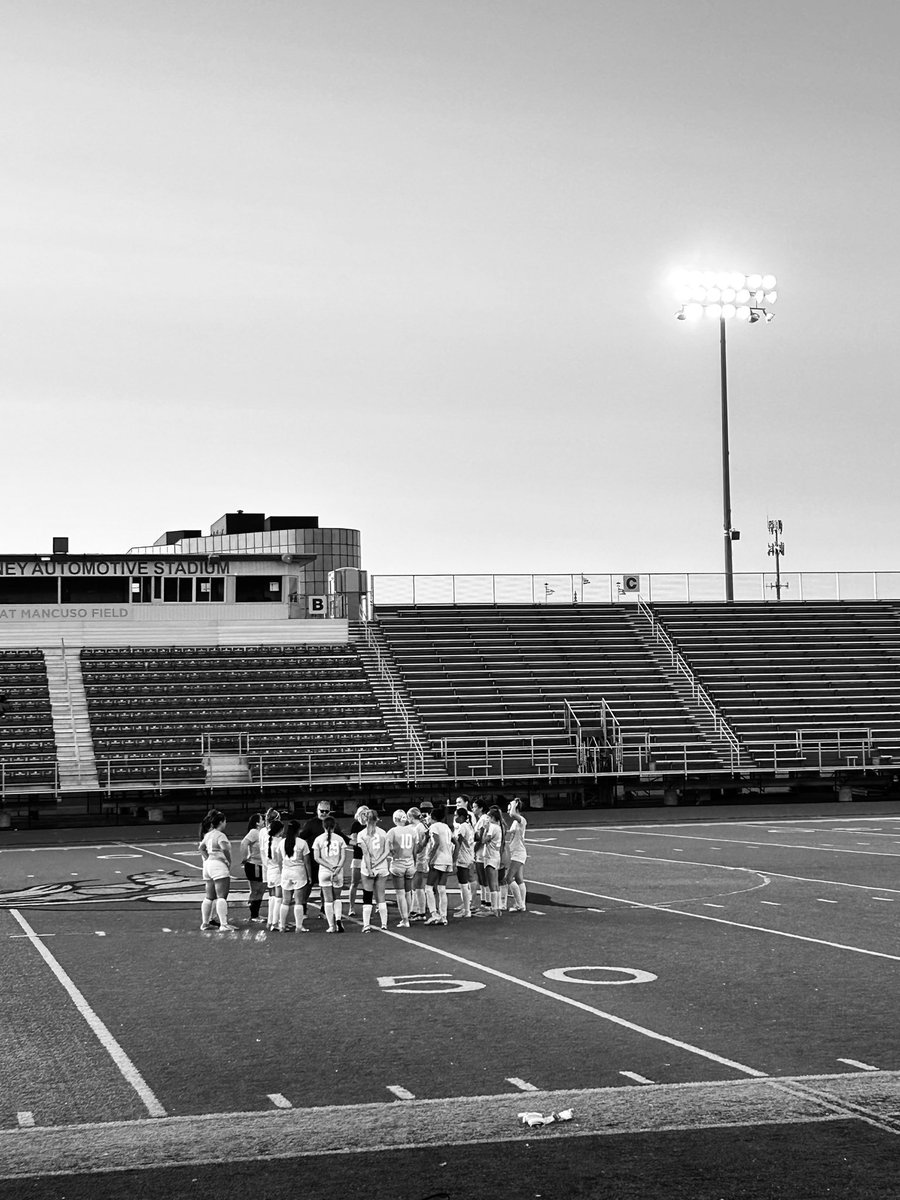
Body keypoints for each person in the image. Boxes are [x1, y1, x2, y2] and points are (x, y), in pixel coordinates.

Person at [300, 799, 343, 920]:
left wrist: (358, 843)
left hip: (328, 862)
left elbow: (342, 838)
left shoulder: (333, 823)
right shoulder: (310, 824)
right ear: (317, 810)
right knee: (308, 885)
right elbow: (301, 838)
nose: (324, 813)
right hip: (314, 861)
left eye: (326, 811)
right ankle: (303, 908)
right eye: (321, 811)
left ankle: (324, 909)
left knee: (326, 887)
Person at [199, 809, 235, 931]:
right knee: (221, 896)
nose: (226, 824)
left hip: (208, 866)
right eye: (225, 821)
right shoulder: (220, 835)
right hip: (218, 865)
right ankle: (224, 924)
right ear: (220, 822)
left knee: (209, 896)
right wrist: (228, 860)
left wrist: (207, 857)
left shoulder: (208, 834)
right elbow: (224, 848)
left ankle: (205, 922)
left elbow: (201, 847)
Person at [357, 808, 390, 931]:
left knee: (367, 895)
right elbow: (387, 851)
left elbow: (366, 854)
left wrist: (370, 868)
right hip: (382, 867)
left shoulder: (362, 834)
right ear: (377, 819)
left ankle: (366, 925)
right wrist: (379, 861)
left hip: (368, 867)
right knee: (381, 895)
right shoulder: (383, 833)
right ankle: (384, 924)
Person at [313, 816, 348, 932]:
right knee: (337, 898)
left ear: (323, 826)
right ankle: (338, 919)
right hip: (337, 872)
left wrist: (329, 866)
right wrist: (337, 869)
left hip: (324, 872)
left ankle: (331, 926)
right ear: (334, 826)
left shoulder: (318, 839)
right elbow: (343, 857)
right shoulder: (340, 839)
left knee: (328, 900)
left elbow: (317, 858)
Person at [385, 809, 418, 928]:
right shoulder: (412, 831)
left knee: (400, 893)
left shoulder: (392, 831)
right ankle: (407, 916)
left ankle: (405, 919)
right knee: (408, 892)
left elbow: (386, 847)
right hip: (410, 863)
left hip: (398, 863)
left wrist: (392, 853)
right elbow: (415, 850)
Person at [280, 819, 312, 933]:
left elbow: (280, 859)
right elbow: (307, 861)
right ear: (298, 830)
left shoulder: (282, 842)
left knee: (285, 900)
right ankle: (299, 926)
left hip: (286, 872)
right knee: (298, 901)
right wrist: (309, 876)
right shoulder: (302, 843)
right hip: (298, 872)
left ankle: (282, 925)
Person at [424, 803, 454, 926]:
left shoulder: (434, 827)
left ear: (433, 817)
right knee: (442, 888)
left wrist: (430, 858)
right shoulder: (446, 827)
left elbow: (436, 843)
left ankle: (434, 914)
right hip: (448, 858)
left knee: (428, 887)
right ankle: (443, 916)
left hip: (438, 859)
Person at [239, 813, 266, 922]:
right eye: (261, 820)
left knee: (260, 889)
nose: (263, 821)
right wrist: (245, 857)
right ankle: (254, 915)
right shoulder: (254, 832)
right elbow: (244, 843)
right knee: (257, 890)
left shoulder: (261, 832)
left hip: (259, 865)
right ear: (257, 823)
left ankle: (255, 913)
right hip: (255, 864)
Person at [260, 815, 285, 931]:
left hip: (270, 870)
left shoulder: (268, 842)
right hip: (277, 871)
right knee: (279, 898)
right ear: (280, 830)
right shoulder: (279, 842)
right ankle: (276, 922)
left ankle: (271, 921)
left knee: (273, 897)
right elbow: (280, 860)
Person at [407, 805, 430, 922]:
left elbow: (418, 847)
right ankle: (415, 910)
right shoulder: (423, 825)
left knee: (418, 887)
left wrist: (413, 859)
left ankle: (421, 912)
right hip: (425, 858)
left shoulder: (417, 828)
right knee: (418, 887)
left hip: (419, 859)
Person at [451, 807, 475, 918]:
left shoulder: (462, 828)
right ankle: (466, 908)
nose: (454, 817)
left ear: (461, 817)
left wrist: (454, 860)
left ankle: (466, 910)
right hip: (469, 856)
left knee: (463, 884)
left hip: (463, 857)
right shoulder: (469, 826)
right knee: (464, 884)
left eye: (456, 815)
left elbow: (458, 844)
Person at [346, 805, 370, 916]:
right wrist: (362, 843)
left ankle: (375, 905)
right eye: (362, 813)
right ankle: (351, 907)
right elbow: (353, 839)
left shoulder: (371, 824)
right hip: (358, 857)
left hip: (369, 858)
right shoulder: (356, 825)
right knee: (354, 883)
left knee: (371, 884)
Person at [482, 806, 505, 916]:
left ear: (492, 817)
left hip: (490, 857)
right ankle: (497, 907)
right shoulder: (499, 827)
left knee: (492, 884)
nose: (486, 819)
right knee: (495, 883)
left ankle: (494, 908)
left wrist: (485, 829)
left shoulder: (492, 827)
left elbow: (484, 840)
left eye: (488, 817)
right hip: (496, 856)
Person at [506, 798, 528, 911]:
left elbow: (513, 813)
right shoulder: (515, 822)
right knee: (519, 878)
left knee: (508, 878)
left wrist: (514, 803)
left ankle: (520, 904)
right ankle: (521, 904)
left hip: (519, 853)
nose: (508, 810)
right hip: (515, 851)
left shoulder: (521, 820)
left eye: (509, 807)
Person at [470, 799, 491, 911]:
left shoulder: (483, 819)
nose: (473, 809)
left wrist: (473, 850)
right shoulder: (482, 819)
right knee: (482, 878)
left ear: (481, 808)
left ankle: (487, 902)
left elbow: (480, 838)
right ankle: (484, 901)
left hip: (481, 852)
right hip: (481, 852)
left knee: (483, 878)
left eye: (474, 807)